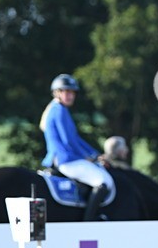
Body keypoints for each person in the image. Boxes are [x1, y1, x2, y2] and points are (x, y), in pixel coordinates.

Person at [39, 74, 114, 221]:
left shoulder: (60, 109)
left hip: (69, 158)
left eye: (72, 92)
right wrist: (89, 157)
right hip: (66, 160)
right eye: (66, 92)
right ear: (57, 93)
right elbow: (68, 141)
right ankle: (89, 220)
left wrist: (95, 154)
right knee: (103, 182)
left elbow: (75, 139)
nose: (70, 95)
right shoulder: (58, 110)